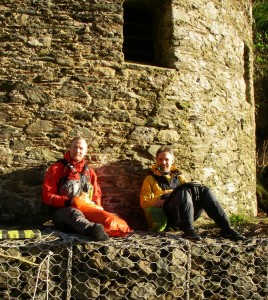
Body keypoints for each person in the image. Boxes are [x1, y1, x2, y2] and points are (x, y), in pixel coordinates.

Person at [140, 145, 245, 241]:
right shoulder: (150, 179)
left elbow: (188, 193)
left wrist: (173, 194)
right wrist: (162, 197)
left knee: (204, 190)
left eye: (166, 160)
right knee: (183, 191)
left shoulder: (179, 177)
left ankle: (226, 228)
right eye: (160, 159)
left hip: (186, 212)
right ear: (156, 161)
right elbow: (144, 202)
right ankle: (188, 229)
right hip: (169, 215)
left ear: (172, 161)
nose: (163, 163)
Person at [42, 137, 109, 241]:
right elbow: (47, 196)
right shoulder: (56, 169)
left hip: (86, 210)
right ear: (70, 148)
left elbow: (96, 195)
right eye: (75, 147)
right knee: (74, 213)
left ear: (85, 152)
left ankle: (110, 230)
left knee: (106, 216)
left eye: (81, 148)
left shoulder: (90, 172)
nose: (78, 151)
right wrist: (69, 201)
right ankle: (92, 230)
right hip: (61, 212)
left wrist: (97, 208)